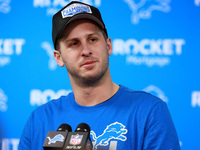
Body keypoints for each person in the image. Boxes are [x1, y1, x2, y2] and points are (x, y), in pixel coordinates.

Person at [19, 1, 181, 150]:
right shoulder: (39, 120)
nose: (86, 50)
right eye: (74, 43)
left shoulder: (149, 111)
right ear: (58, 57)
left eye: (92, 39)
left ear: (108, 45)